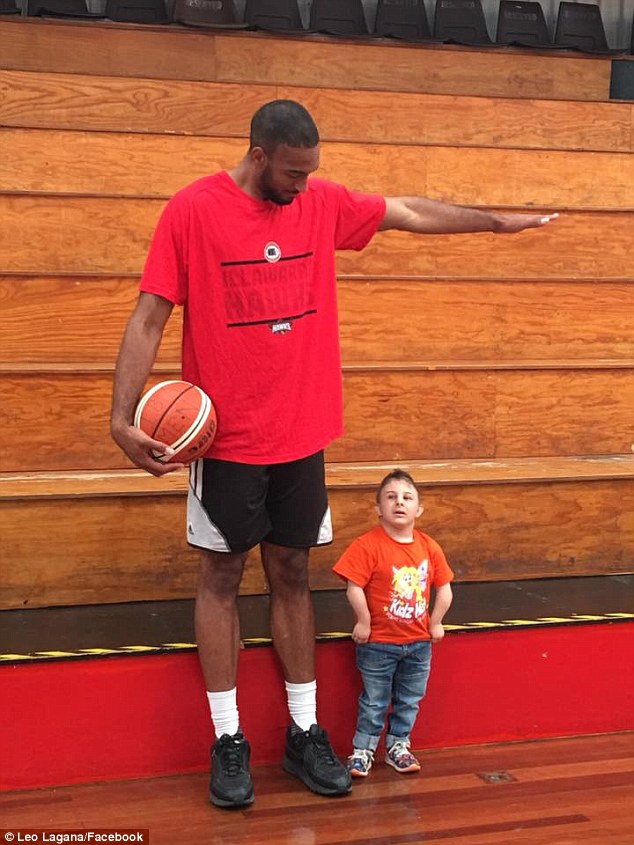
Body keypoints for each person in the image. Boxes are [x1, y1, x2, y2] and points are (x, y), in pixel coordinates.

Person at [110, 99, 557, 809]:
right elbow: (149, 313)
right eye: (293, 173)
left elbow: (407, 211)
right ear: (259, 156)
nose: (303, 185)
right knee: (221, 576)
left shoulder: (319, 203)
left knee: (292, 571)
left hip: (301, 433)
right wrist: (120, 417)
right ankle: (227, 739)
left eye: (311, 172)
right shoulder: (192, 211)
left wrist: (495, 222)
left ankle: (304, 728)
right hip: (224, 438)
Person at [333, 469, 454, 778]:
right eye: (391, 497)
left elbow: (444, 587)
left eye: (407, 497)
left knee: (410, 699)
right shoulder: (367, 545)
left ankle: (398, 745)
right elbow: (354, 586)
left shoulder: (429, 547)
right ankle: (363, 749)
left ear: (419, 509)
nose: (399, 503)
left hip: (418, 644)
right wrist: (363, 621)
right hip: (379, 644)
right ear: (378, 509)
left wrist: (436, 622)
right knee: (374, 700)